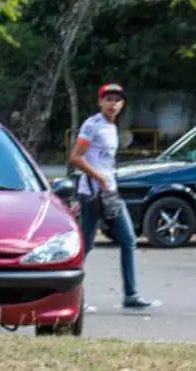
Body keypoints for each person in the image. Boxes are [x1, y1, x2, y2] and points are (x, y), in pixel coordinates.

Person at [69, 83, 160, 310]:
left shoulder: (112, 127)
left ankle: (131, 295)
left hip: (110, 193)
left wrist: (109, 180)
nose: (113, 104)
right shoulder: (92, 125)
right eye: (108, 99)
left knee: (129, 239)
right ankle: (74, 297)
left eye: (117, 100)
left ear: (122, 104)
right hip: (91, 193)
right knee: (85, 246)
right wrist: (97, 177)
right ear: (100, 102)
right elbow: (76, 157)